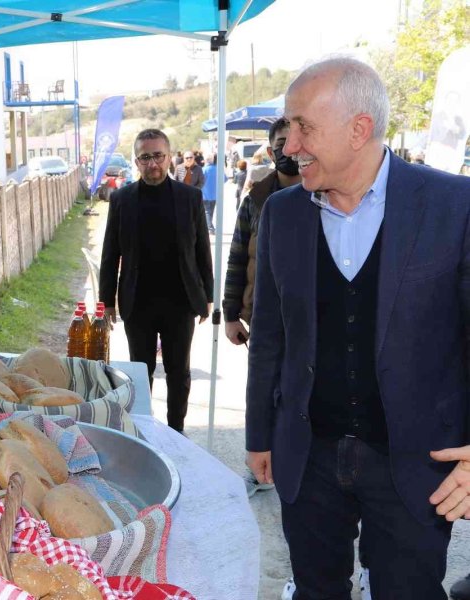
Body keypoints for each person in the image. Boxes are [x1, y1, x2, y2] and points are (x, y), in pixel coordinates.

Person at [246, 57, 470, 599]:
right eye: (288, 127)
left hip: (415, 462)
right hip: (309, 454)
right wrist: (260, 434)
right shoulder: (282, 214)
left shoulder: (454, 205)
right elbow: (270, 336)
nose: (289, 144)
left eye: (304, 127)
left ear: (359, 129)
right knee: (316, 591)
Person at [100, 129, 213, 433]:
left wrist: (208, 295)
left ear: (169, 156)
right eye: (145, 157)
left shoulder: (190, 196)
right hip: (138, 302)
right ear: (136, 161)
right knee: (140, 373)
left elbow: (202, 249)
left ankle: (177, 431)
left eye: (158, 156)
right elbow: (110, 253)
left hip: (180, 301)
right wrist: (106, 302)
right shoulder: (122, 199)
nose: (153, 164)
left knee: (180, 373)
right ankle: (145, 431)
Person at [224, 117, 301, 498]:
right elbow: (237, 257)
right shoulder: (256, 199)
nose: (288, 151)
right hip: (261, 317)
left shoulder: (321, 192)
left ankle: (294, 461)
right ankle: (262, 461)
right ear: (271, 152)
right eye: (280, 144)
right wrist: (229, 313)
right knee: (265, 389)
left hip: (304, 321)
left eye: (294, 141)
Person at [201, 154, 224, 234]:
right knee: (211, 211)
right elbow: (225, 179)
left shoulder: (203, 170)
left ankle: (210, 228)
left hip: (205, 194)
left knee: (207, 211)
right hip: (215, 194)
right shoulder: (217, 169)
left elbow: (199, 181)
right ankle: (210, 226)